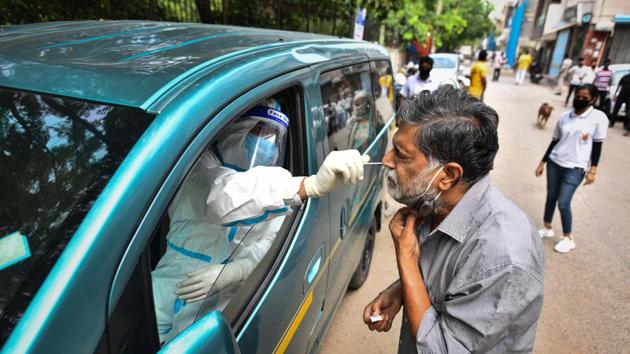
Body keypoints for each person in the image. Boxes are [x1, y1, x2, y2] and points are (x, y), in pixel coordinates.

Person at [152, 102, 369, 342]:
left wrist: (233, 272)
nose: (268, 143)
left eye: (274, 137)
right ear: (234, 131)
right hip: (169, 285)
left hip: (228, 303)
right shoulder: (196, 166)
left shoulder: (272, 198)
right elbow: (219, 199)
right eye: (260, 131)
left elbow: (268, 242)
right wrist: (305, 186)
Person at [363, 87, 544, 352]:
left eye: (401, 155)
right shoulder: (434, 201)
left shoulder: (502, 258)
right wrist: (402, 289)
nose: (386, 160)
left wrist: (407, 261)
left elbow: (442, 348)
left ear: (448, 175)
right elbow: (447, 276)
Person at [536, 84, 608, 253]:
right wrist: (543, 162)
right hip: (555, 162)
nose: (580, 99)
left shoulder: (599, 118)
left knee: (563, 202)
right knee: (551, 196)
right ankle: (547, 227)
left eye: (584, 97)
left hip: (576, 168)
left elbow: (597, 146)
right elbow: (555, 140)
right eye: (577, 96)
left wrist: (593, 169)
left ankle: (568, 237)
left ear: (593, 99)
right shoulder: (565, 117)